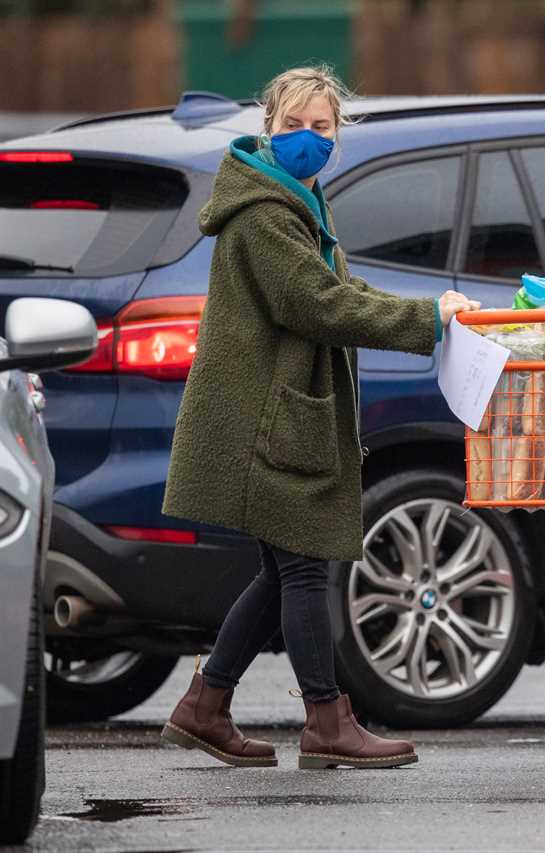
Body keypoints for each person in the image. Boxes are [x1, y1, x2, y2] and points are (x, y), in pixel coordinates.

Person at [158, 66, 479, 770]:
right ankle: (327, 720)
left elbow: (336, 284)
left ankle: (204, 706)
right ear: (267, 127)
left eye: (321, 126)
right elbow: (318, 305)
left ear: (338, 134)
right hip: (265, 419)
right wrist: (422, 320)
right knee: (303, 567)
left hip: (276, 413)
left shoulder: (299, 198)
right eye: (294, 125)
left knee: (282, 572)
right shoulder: (266, 215)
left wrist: (434, 310)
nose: (308, 138)